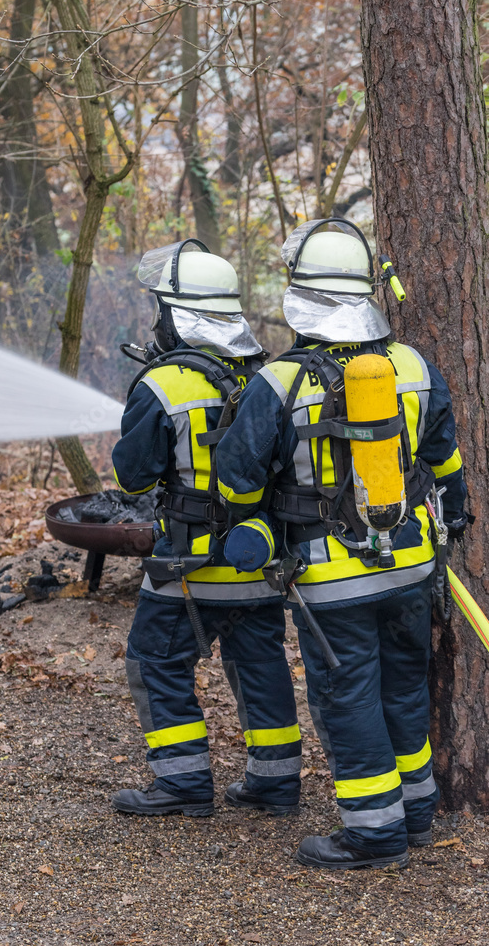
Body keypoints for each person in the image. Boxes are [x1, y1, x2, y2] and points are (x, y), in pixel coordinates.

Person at [215, 219, 469, 868]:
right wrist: (453, 521)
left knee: (348, 698)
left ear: (301, 299)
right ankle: (414, 816)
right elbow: (445, 467)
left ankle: (372, 834)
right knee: (404, 692)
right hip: (413, 567)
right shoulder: (412, 367)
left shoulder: (276, 383)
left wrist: (263, 514)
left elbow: (237, 485)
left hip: (331, 583)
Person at [111, 239, 301, 818]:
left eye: (159, 310)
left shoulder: (162, 385)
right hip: (260, 558)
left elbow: (136, 481)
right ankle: (274, 784)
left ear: (176, 315)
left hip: (189, 567)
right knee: (260, 664)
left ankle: (182, 782)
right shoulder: (269, 375)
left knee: (154, 660)